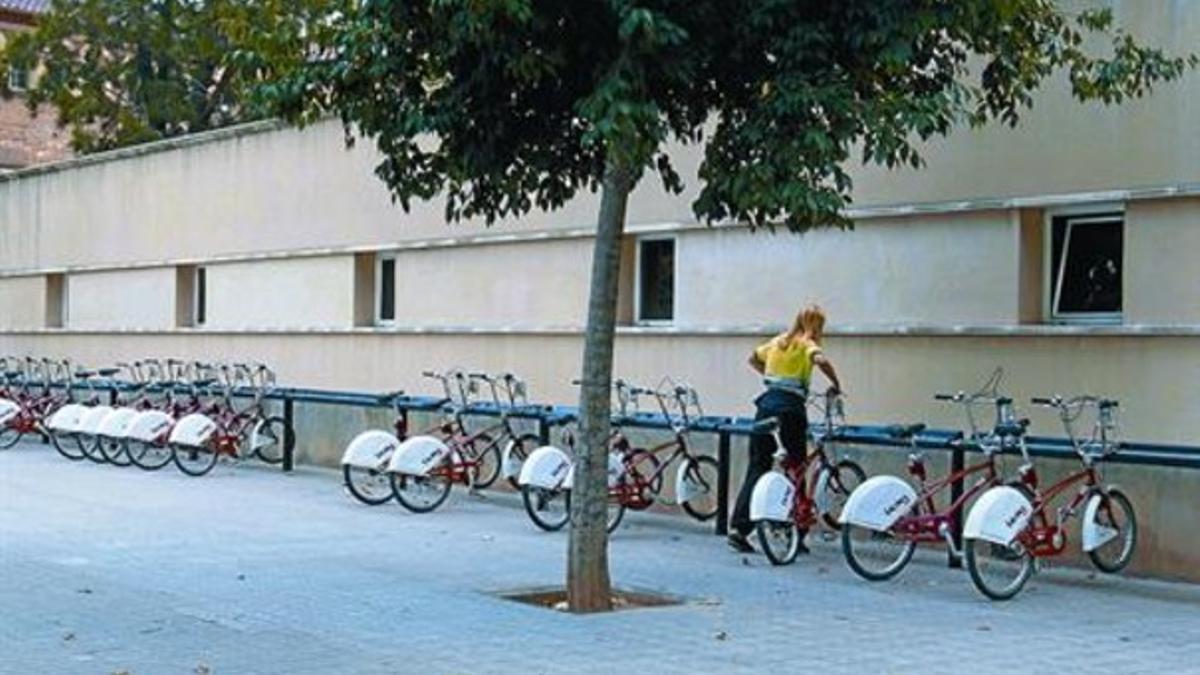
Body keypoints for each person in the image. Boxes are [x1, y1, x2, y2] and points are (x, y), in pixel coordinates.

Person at [728, 304, 843, 554]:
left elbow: (752, 358)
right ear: (817, 326)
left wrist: (769, 376)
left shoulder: (779, 341)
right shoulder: (807, 344)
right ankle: (796, 534)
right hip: (791, 411)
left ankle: (739, 529)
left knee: (757, 468)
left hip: (765, 407)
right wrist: (836, 383)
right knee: (797, 469)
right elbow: (820, 360)